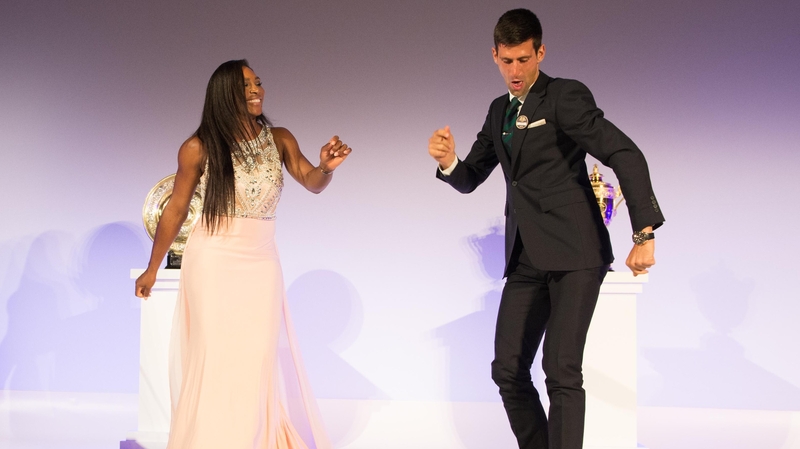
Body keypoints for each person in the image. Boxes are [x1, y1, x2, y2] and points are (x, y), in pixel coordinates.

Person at [427, 9, 664, 449]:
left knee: (561, 370)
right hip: (526, 257)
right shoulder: (498, 111)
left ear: (540, 53)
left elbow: (624, 153)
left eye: (524, 59)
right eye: (507, 61)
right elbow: (471, 177)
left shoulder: (563, 96)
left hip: (576, 253)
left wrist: (644, 233)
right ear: (494, 56)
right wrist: (448, 162)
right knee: (507, 370)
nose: (515, 71)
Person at [135, 59, 350, 449]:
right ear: (224, 94)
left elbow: (311, 181)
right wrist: (153, 268)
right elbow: (177, 208)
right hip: (213, 260)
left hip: (261, 259)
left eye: (258, 83)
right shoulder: (198, 147)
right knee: (214, 356)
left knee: (256, 357)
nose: (256, 91)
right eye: (246, 85)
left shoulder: (279, 138)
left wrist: (325, 167)